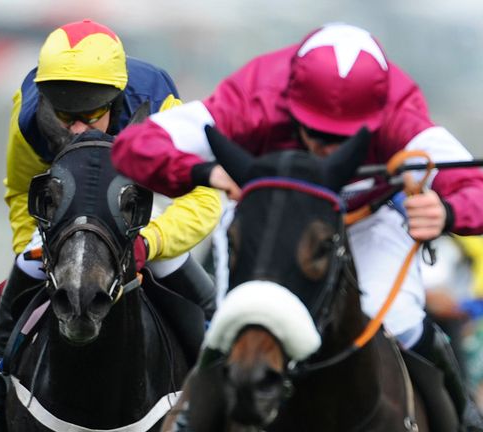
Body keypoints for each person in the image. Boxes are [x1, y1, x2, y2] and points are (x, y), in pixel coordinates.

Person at [111, 22, 483, 430]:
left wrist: (446, 211)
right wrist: (204, 171)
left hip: (364, 219)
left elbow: (475, 189)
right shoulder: (254, 94)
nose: (327, 149)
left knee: (395, 318)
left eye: (344, 139)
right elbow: (134, 148)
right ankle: (193, 416)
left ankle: (464, 417)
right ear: (290, 101)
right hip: (272, 220)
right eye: (318, 132)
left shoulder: (400, 112)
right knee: (236, 319)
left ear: (378, 112)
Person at [0, 19, 222, 427]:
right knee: (27, 267)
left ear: (116, 99)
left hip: (142, 205)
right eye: (65, 117)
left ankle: (219, 383)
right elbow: (19, 191)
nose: (77, 129)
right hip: (67, 212)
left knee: (197, 292)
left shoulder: (160, 108)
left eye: (89, 115)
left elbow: (205, 196)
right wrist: (36, 245)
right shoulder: (29, 112)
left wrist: (150, 242)